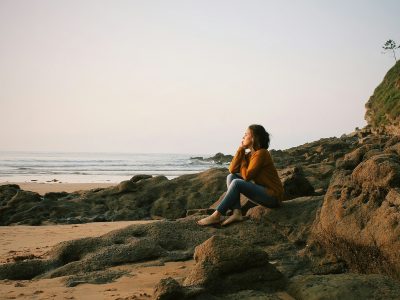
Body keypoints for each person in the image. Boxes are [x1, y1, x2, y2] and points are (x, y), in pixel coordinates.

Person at [197, 124, 284, 226]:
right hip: (263, 193)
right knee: (231, 177)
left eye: (246, 134)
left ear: (254, 138)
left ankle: (217, 215)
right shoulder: (249, 155)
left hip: (273, 197)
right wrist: (241, 149)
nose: (243, 137)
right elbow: (232, 170)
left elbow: (247, 176)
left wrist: (242, 162)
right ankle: (237, 212)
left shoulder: (262, 153)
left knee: (237, 182)